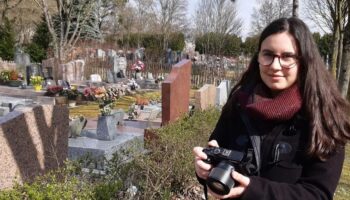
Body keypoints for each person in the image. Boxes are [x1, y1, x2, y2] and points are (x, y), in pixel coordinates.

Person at [193, 17, 350, 200]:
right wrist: (205, 170)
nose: (275, 66)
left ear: (305, 61)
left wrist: (252, 190)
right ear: (258, 57)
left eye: (287, 57)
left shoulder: (324, 117)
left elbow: (318, 194)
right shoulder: (239, 104)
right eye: (268, 54)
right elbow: (217, 155)